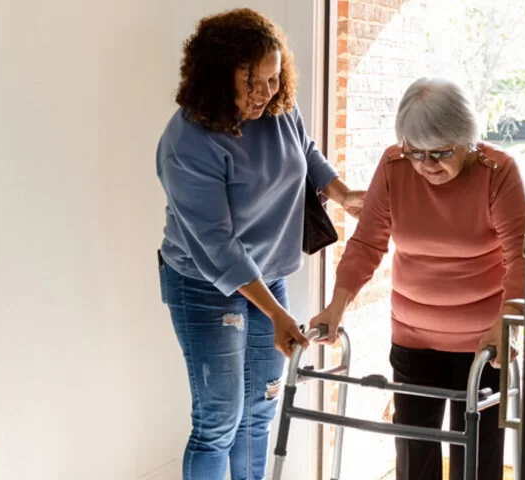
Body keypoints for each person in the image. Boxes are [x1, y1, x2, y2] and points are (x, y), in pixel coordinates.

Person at [156, 8, 363, 480]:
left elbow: (305, 150)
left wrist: (343, 193)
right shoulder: (187, 142)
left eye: (273, 79)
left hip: (267, 274)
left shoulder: (278, 107)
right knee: (219, 420)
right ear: (215, 74)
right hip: (203, 283)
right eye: (252, 82)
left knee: (261, 407)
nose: (264, 93)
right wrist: (276, 314)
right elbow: (218, 246)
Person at [310, 77, 525, 480]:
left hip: (483, 344)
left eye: (441, 152)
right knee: (415, 458)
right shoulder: (395, 166)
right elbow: (366, 244)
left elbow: (521, 256)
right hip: (413, 338)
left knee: (477, 463)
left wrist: (506, 323)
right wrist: (335, 307)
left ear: (468, 139)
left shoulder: (497, 172)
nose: (427, 165)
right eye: (417, 152)